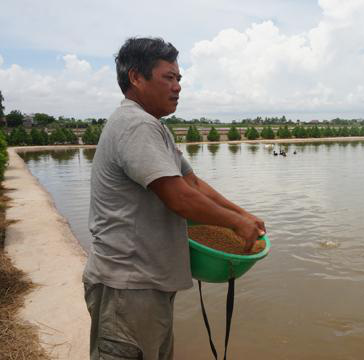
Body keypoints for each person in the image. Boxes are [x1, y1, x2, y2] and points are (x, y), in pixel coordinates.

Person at [82, 37, 266, 360]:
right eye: (169, 77)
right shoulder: (134, 124)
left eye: (179, 78)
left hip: (147, 288)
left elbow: (192, 182)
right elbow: (178, 196)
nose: (178, 86)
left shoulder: (156, 128)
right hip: (127, 290)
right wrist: (236, 223)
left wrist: (244, 215)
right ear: (136, 78)